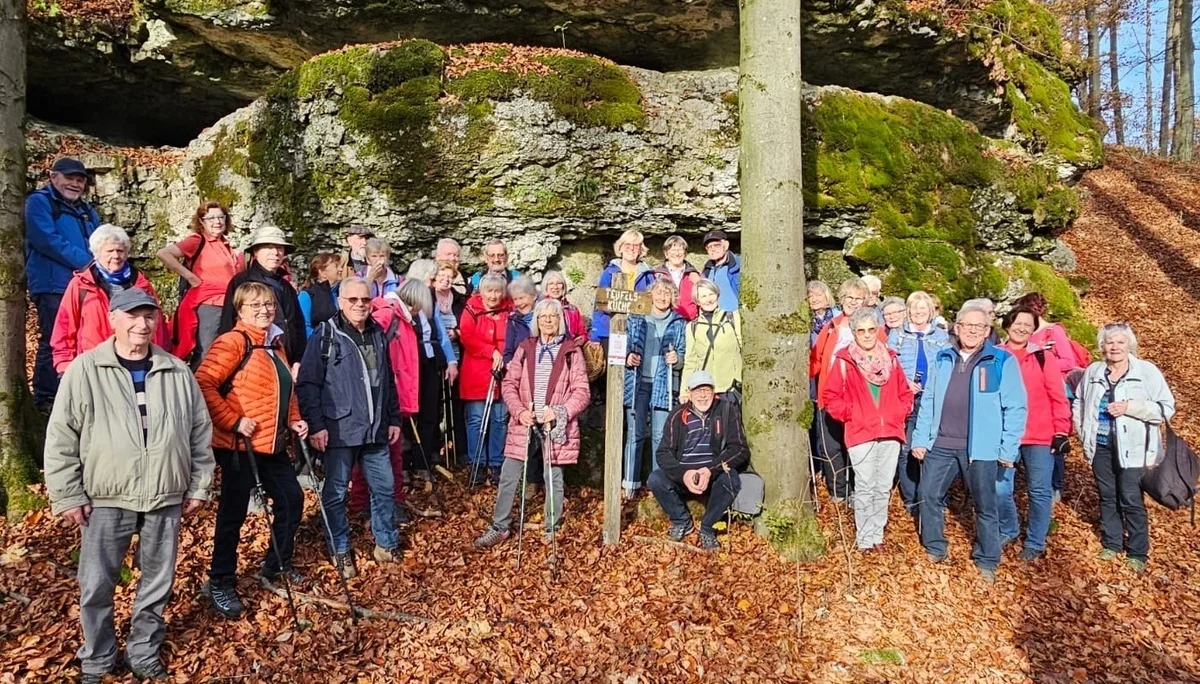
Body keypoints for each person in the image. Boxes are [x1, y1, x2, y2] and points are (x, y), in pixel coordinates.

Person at [45, 288, 214, 684]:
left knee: (157, 583)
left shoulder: (176, 371)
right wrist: (68, 493)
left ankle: (143, 650)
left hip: (164, 494)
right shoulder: (86, 370)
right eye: (132, 316)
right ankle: (98, 658)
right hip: (106, 496)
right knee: (96, 585)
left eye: (149, 317)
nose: (142, 324)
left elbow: (198, 434)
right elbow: (61, 437)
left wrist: (199, 485)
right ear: (114, 319)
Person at [195, 282, 308, 618]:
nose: (264, 310)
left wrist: (296, 419)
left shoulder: (275, 344)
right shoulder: (233, 341)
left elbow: (286, 389)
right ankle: (221, 580)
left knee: (291, 500)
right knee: (233, 514)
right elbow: (203, 382)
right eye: (255, 305)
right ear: (240, 310)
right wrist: (232, 421)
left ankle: (276, 565)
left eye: (269, 304)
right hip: (238, 445)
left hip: (272, 443)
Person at [911, 301, 1027, 583]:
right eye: (967, 326)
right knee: (928, 495)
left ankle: (987, 558)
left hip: (981, 449)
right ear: (957, 328)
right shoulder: (943, 357)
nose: (972, 331)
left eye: (979, 327)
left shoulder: (1000, 361)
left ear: (988, 331)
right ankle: (935, 547)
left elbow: (1016, 407)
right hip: (941, 443)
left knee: (985, 505)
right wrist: (920, 437)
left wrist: (1008, 448)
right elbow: (928, 400)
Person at [296, 277, 404, 579]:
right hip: (339, 429)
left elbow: (387, 380)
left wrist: (393, 418)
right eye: (353, 300)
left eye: (365, 300)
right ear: (340, 302)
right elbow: (308, 384)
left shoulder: (377, 333)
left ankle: (386, 542)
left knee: (384, 489)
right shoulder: (325, 335)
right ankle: (340, 549)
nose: (359, 305)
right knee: (336, 493)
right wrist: (317, 426)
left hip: (374, 430)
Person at [474, 299, 590, 547]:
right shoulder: (526, 348)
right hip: (525, 422)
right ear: (536, 321)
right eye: (543, 316)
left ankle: (552, 527)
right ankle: (500, 526)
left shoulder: (571, 351)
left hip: (553, 424)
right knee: (509, 475)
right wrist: (518, 412)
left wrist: (559, 412)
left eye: (553, 316)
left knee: (553, 477)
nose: (548, 320)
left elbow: (581, 391)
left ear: (560, 321)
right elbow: (509, 384)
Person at [1073, 323, 1175, 573]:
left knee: (1130, 497)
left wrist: (1131, 407)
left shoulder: (1146, 371)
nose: (1115, 347)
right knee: (1107, 496)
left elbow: (1166, 408)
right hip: (1100, 445)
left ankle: (1138, 552)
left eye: (1120, 342)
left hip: (1135, 448)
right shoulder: (1094, 371)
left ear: (1129, 344)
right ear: (1102, 346)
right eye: (1110, 343)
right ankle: (1112, 543)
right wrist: (1083, 431)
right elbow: (1079, 402)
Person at [821, 308, 914, 551]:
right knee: (864, 486)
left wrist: (899, 411)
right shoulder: (844, 360)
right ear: (853, 333)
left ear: (878, 330)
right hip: (860, 432)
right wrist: (851, 414)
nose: (867, 335)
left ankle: (877, 535)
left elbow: (905, 392)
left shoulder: (891, 359)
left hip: (891, 431)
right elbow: (830, 396)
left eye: (871, 329)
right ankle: (864, 539)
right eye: (860, 330)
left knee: (883, 487)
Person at [995, 306, 1071, 562]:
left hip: (1040, 434)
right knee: (1000, 487)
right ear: (1007, 324)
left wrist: (1061, 430)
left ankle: (1035, 541)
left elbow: (1058, 396)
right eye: (1018, 323)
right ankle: (1009, 528)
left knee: (1039, 491)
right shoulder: (996, 355)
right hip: (1005, 434)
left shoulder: (1042, 357)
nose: (1022, 328)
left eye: (1029, 325)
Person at [26, 157, 102, 410]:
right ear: (53, 177)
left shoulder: (87, 211)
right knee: (54, 338)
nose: (75, 184)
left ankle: (76, 394)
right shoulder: (39, 202)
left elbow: (100, 240)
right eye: (69, 178)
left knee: (84, 337)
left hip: (85, 285)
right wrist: (88, 263)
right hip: (52, 284)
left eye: (80, 180)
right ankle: (47, 398)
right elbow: (45, 239)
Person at [648, 370, 749, 551]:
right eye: (698, 390)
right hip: (684, 473)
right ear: (689, 392)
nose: (703, 396)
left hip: (713, 473)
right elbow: (663, 453)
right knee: (656, 479)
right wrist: (683, 474)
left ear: (714, 391)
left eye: (707, 390)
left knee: (731, 480)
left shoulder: (727, 410)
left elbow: (739, 449)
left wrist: (711, 469)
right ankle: (681, 520)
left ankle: (708, 527)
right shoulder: (677, 415)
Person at [52, 224, 170, 374]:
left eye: (120, 251)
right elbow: (64, 326)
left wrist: (162, 360)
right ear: (97, 253)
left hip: (137, 362)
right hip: (94, 365)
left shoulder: (142, 285)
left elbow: (158, 328)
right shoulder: (81, 285)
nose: (115, 256)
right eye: (109, 251)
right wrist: (64, 366)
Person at [348, 290, 420, 526]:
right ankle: (364, 503)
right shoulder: (389, 315)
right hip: (379, 396)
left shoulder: (400, 318)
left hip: (391, 395)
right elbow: (371, 351)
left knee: (392, 453)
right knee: (374, 453)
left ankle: (389, 502)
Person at [1014, 291, 1087, 503]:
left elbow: (1069, 361)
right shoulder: (1023, 335)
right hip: (1026, 392)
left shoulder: (1053, 332)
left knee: (1052, 439)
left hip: (1054, 391)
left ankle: (1055, 484)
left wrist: (1043, 357)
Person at [810, 278, 877, 502]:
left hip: (860, 399)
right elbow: (816, 360)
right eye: (849, 298)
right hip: (830, 396)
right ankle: (839, 492)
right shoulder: (832, 327)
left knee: (857, 447)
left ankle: (861, 490)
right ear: (842, 299)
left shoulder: (874, 328)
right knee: (830, 447)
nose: (853, 302)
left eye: (859, 299)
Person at [158, 201, 244, 367]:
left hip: (228, 303)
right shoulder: (197, 240)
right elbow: (164, 254)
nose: (217, 221)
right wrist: (190, 277)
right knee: (207, 351)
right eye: (211, 218)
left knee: (225, 349)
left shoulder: (225, 245)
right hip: (209, 304)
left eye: (221, 217)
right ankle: (199, 390)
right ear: (202, 222)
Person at [886, 290, 949, 516]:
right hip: (906, 397)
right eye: (914, 309)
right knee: (906, 448)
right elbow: (890, 364)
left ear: (930, 311)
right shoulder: (897, 335)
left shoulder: (941, 337)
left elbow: (946, 367)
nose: (919, 313)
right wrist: (904, 383)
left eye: (923, 309)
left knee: (933, 448)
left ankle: (934, 495)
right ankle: (911, 498)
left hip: (932, 399)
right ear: (908, 311)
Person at [623, 278, 686, 497]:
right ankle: (630, 484)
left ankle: (657, 486)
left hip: (663, 384)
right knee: (635, 434)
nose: (661, 297)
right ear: (650, 295)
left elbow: (683, 355)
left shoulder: (679, 323)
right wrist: (627, 357)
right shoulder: (637, 319)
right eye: (658, 293)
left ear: (672, 298)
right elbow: (624, 345)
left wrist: (676, 359)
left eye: (666, 294)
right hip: (638, 382)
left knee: (660, 435)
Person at [218, 226, 307, 367]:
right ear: (256, 251)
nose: (275, 253)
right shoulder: (242, 281)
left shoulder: (286, 286)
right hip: (252, 359)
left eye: (279, 248)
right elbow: (228, 321)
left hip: (286, 361)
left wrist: (298, 360)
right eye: (269, 247)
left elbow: (298, 324)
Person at [460, 273, 514, 485]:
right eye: (489, 291)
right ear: (481, 292)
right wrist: (490, 351)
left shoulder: (509, 310)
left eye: (497, 291)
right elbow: (467, 336)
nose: (493, 295)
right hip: (477, 371)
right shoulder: (471, 309)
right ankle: (477, 464)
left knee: (500, 419)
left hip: (503, 372)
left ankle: (497, 463)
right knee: (476, 419)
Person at [679, 279, 742, 403]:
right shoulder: (692, 327)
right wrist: (684, 391)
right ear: (697, 301)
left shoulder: (733, 318)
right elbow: (690, 361)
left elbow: (744, 349)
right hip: (705, 389)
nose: (708, 299)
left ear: (717, 295)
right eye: (703, 296)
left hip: (732, 388)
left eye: (711, 294)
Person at [591, 230, 656, 345]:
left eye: (636, 245)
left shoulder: (648, 274)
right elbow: (599, 303)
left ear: (641, 249)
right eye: (627, 245)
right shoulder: (609, 272)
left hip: (639, 331)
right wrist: (596, 333)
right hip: (610, 330)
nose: (631, 248)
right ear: (620, 248)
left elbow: (653, 304)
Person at [434, 260, 469, 466]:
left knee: (456, 405)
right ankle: (434, 452)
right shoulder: (428, 297)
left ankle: (459, 450)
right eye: (441, 276)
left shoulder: (460, 300)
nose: (445, 281)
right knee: (434, 407)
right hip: (435, 358)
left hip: (459, 356)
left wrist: (457, 333)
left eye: (449, 277)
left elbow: (469, 326)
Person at [653, 234, 701, 320]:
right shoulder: (657, 276)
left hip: (691, 322)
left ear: (685, 253)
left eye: (680, 250)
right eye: (673, 250)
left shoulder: (695, 276)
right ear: (666, 254)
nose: (676, 253)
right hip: (666, 321)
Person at [298, 253, 344, 338]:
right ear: (322, 272)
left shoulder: (342, 292)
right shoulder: (307, 295)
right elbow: (304, 327)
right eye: (336, 266)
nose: (341, 269)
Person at [700, 230, 741, 311]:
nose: (713, 249)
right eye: (709, 247)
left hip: (736, 317)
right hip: (715, 318)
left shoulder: (739, 265)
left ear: (726, 245)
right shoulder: (707, 270)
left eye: (716, 245)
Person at [540, 271, 587, 339]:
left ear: (563, 286)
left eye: (559, 283)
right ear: (546, 287)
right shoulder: (541, 309)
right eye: (551, 283)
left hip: (570, 347)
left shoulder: (572, 310)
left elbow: (582, 332)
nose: (555, 287)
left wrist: (582, 338)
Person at [503, 276, 540, 362]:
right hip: (521, 370)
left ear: (534, 296)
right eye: (515, 299)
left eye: (521, 298)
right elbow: (508, 352)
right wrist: (511, 366)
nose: (519, 303)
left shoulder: (546, 316)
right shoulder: (513, 321)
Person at [807, 280, 839, 348]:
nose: (814, 300)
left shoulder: (838, 316)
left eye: (818, 295)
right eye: (810, 296)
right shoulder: (807, 320)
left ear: (827, 296)